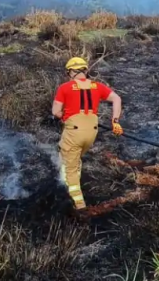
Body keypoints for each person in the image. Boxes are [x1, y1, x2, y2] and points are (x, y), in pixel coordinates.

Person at [49, 56, 123, 212]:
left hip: (74, 131)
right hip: (91, 132)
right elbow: (117, 98)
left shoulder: (65, 87)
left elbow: (55, 111)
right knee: (74, 154)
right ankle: (74, 169)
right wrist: (115, 121)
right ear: (86, 70)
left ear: (70, 72)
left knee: (70, 168)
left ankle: (79, 204)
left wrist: (64, 116)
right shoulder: (97, 86)